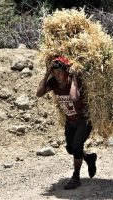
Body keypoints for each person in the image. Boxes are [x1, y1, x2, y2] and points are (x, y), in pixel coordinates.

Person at [36, 56, 97, 190]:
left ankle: (76, 177)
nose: (57, 76)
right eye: (54, 73)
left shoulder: (75, 81)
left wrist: (74, 77)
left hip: (83, 120)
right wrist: (46, 74)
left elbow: (74, 98)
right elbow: (39, 93)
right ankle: (89, 158)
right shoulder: (53, 82)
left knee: (76, 147)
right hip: (70, 121)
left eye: (60, 73)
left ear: (66, 72)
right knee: (71, 148)